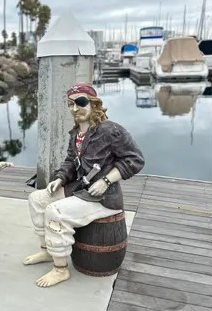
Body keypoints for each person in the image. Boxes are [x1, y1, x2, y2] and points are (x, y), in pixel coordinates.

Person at [24, 83, 145, 287]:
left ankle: (60, 270)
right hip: (81, 189)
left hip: (103, 196)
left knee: (56, 212)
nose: (75, 108)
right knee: (37, 199)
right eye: (70, 104)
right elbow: (71, 161)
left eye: (80, 102)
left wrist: (106, 180)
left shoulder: (110, 130)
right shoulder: (76, 133)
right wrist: (60, 178)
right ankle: (47, 250)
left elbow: (135, 160)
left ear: (94, 103)